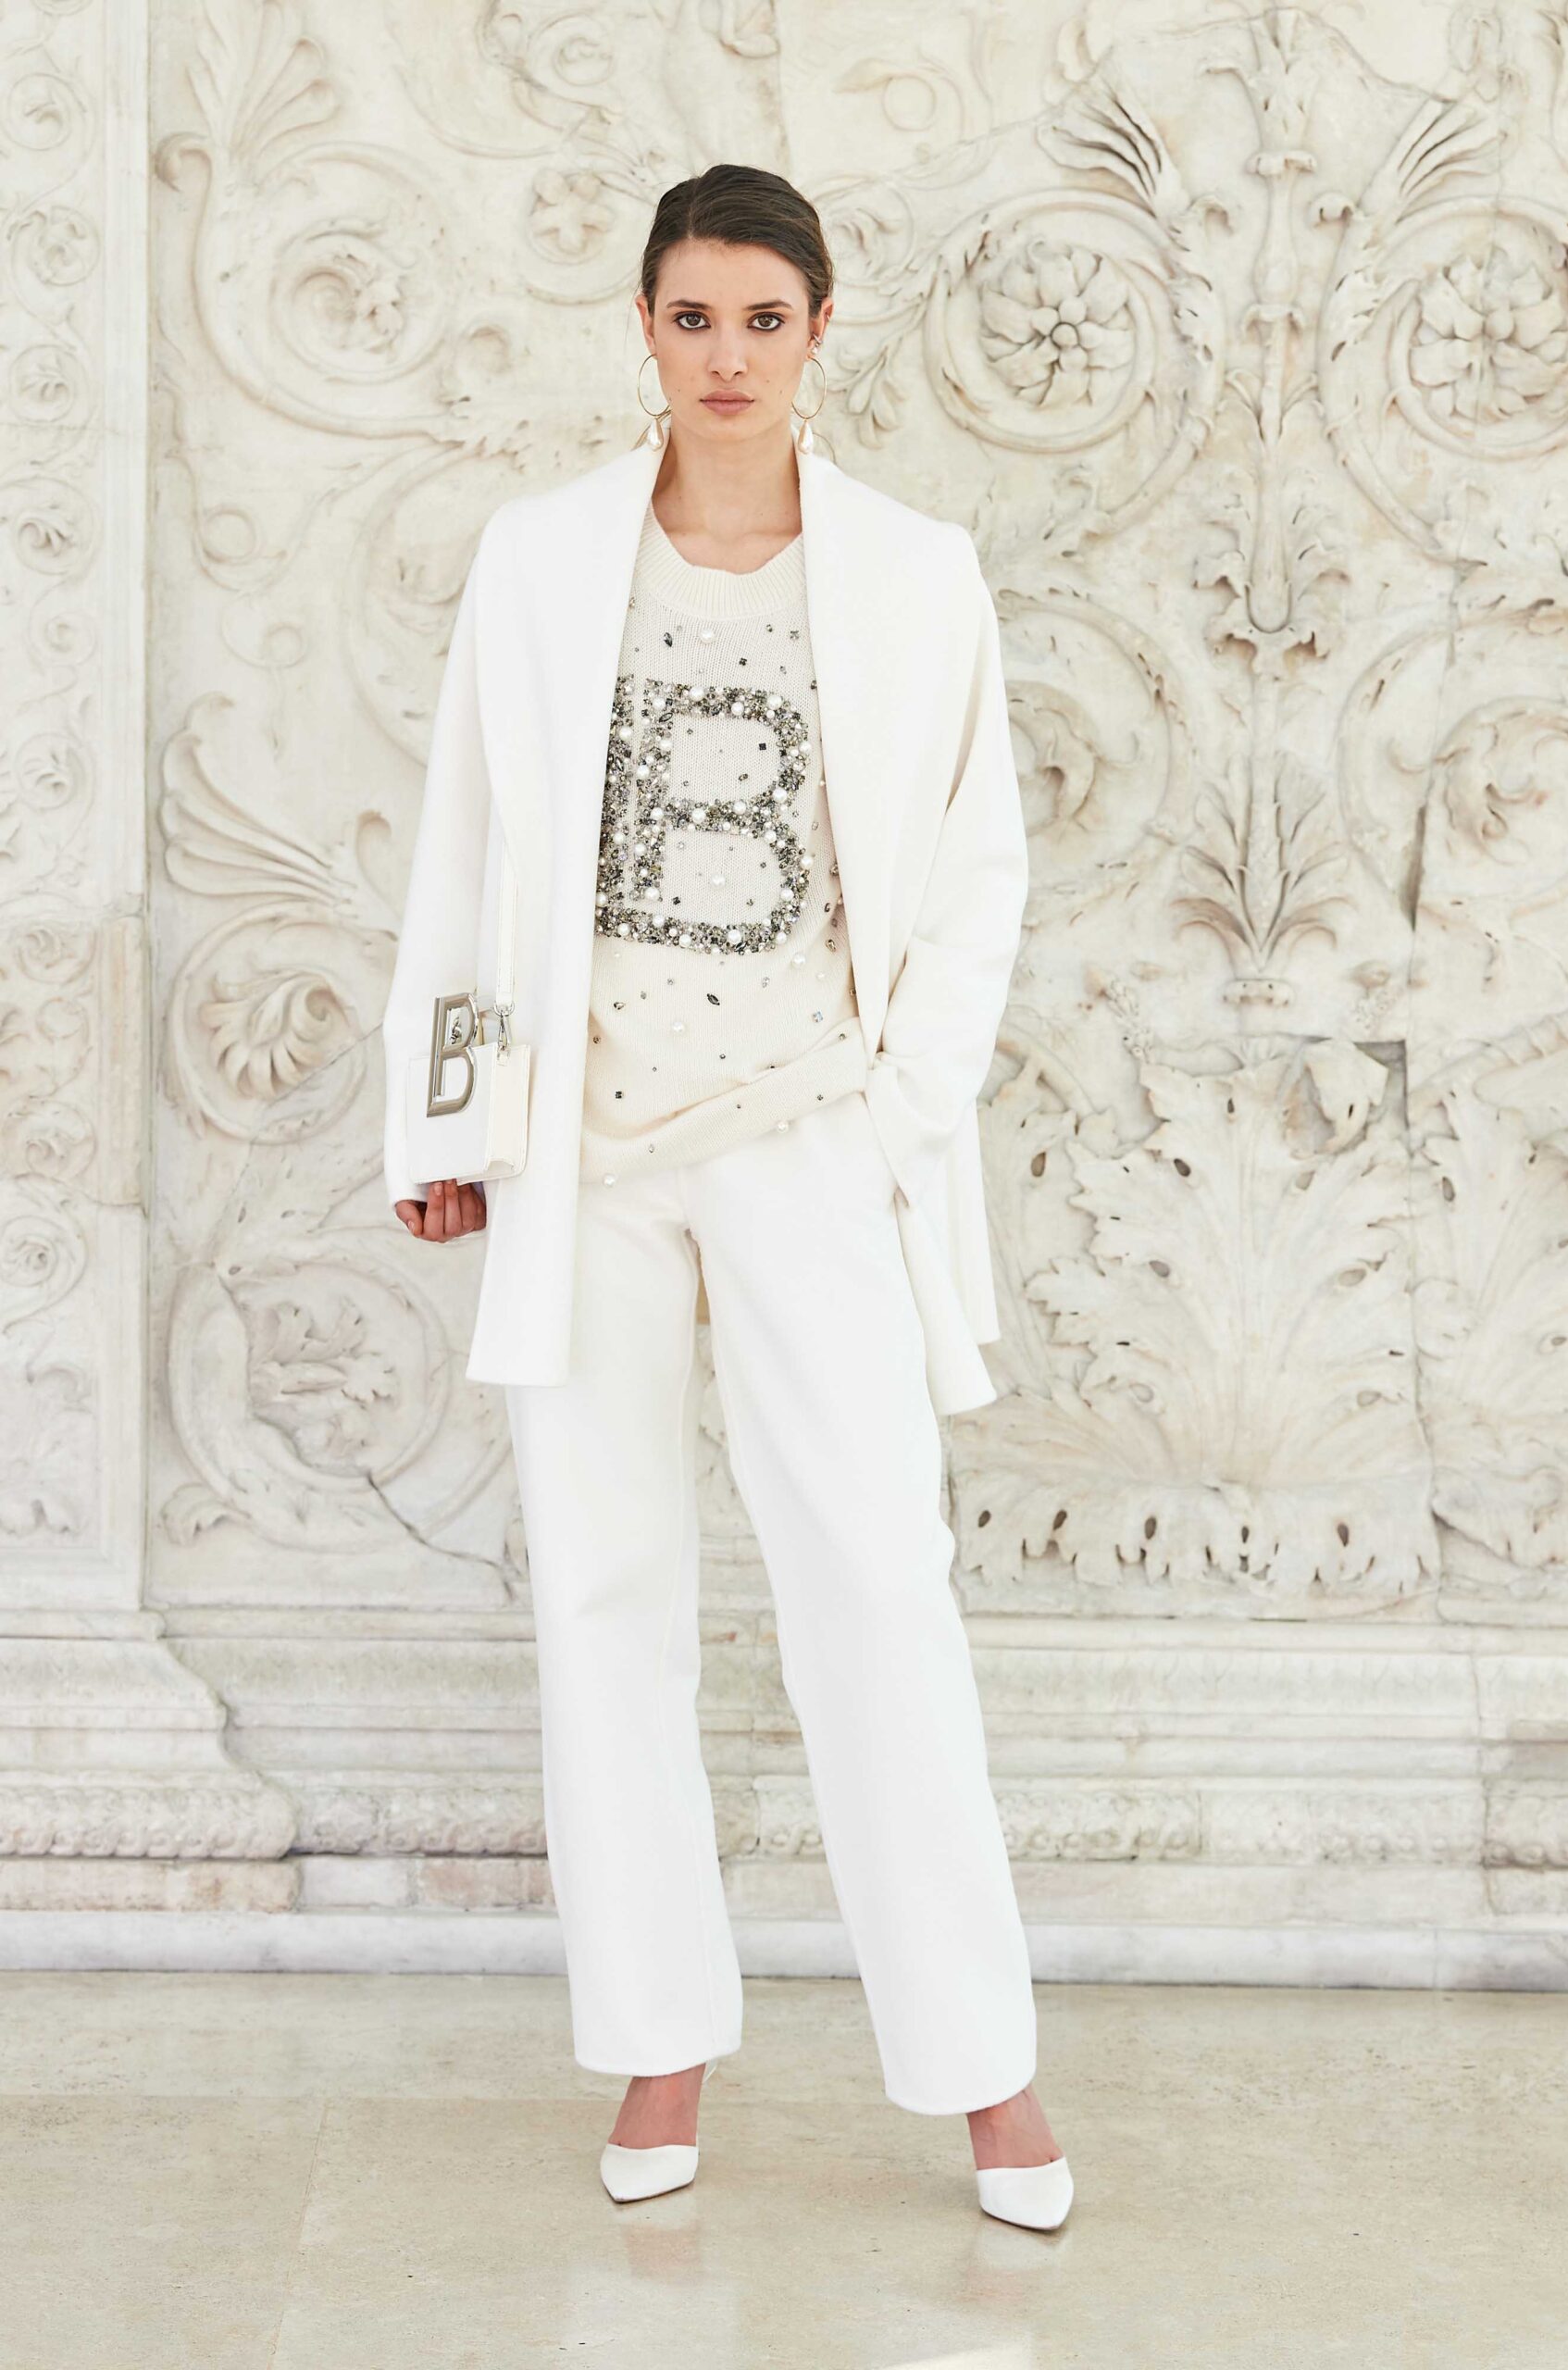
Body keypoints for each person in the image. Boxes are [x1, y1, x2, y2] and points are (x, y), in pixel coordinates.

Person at [380, 163, 1073, 2233]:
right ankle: (658, 2041)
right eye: (693, 317)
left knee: (873, 1586)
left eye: (764, 319)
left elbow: (975, 878)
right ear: (646, 329)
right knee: (605, 1597)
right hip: (583, 1152)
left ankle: (987, 2074)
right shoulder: (538, 561)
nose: (727, 356)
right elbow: (468, 848)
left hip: (803, 1139)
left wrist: (891, 1122)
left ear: (818, 331)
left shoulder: (915, 576)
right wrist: (444, 1127)